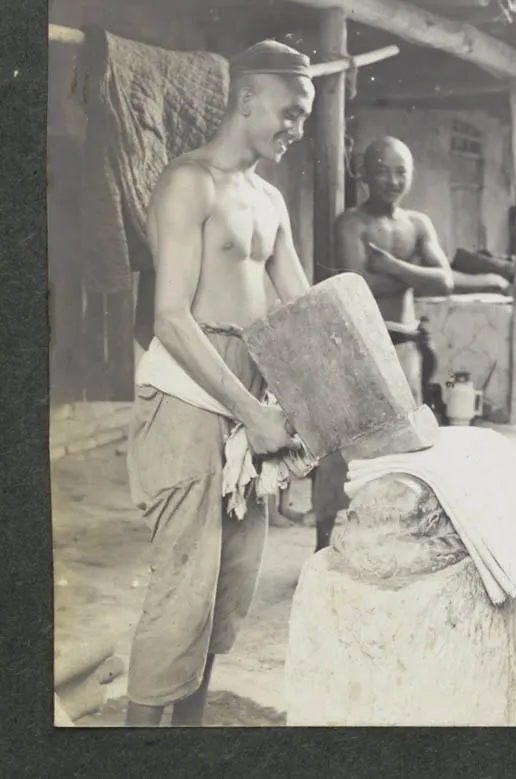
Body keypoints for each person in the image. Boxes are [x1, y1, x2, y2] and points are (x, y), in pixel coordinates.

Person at [125, 40, 315, 727]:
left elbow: (304, 313)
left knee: (225, 595)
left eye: (304, 116)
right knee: (181, 594)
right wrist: (253, 416)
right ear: (247, 98)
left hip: (247, 409)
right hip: (188, 397)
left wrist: (328, 403)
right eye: (290, 111)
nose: (297, 128)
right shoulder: (189, 182)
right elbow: (171, 319)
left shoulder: (270, 200)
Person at [310, 137, 454, 552]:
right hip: (358, 349)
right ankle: (323, 546)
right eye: (382, 171)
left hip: (405, 350)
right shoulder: (352, 224)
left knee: (404, 447)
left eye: (401, 171)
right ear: (364, 174)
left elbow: (444, 281)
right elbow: (358, 284)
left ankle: (392, 543)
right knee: (341, 451)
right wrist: (414, 276)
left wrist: (392, 266)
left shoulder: (418, 224)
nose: (392, 180)